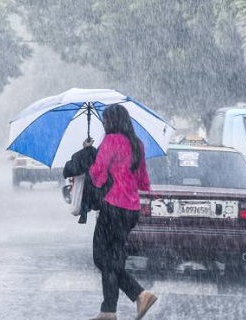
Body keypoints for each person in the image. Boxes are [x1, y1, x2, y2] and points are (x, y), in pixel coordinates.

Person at [88, 104, 157, 320]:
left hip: (112, 206)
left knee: (101, 258)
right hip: (131, 209)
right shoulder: (137, 144)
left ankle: (139, 294)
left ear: (112, 121)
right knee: (113, 259)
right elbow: (142, 179)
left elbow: (98, 174)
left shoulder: (111, 141)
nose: (104, 124)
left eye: (105, 120)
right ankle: (108, 311)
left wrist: (91, 155)